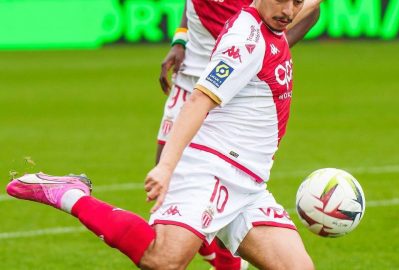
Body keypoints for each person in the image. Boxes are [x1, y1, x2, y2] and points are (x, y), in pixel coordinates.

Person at [7, 1, 315, 269]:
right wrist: (167, 166)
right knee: (163, 260)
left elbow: (309, 9)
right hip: (213, 169)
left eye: (296, 2)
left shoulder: (272, 25)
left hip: (248, 183)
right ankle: (68, 194)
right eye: (281, 1)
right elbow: (198, 100)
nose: (289, 11)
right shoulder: (246, 40)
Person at [156, 0, 321, 268]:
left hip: (231, 91)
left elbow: (310, 11)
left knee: (180, 208)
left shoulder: (262, 17)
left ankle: (223, 261)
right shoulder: (252, 21)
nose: (290, 9)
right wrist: (180, 39)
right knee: (166, 188)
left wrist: (272, 48)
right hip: (192, 86)